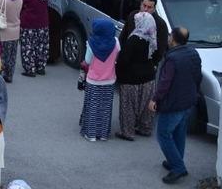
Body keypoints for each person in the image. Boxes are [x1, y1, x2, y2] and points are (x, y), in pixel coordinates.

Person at [150, 27, 202, 185]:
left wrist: (155, 99)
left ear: (173, 39)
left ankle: (178, 167)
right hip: (188, 102)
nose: (168, 37)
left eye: (170, 35)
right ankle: (176, 161)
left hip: (173, 104)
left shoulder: (172, 58)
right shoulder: (193, 52)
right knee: (179, 133)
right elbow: (197, 76)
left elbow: (165, 83)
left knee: (163, 134)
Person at [115, 12, 157, 141]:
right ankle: (145, 128)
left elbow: (124, 59)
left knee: (128, 106)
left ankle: (128, 132)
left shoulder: (133, 39)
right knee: (145, 106)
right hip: (148, 78)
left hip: (131, 78)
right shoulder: (152, 38)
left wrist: (117, 72)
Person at [80, 18, 120, 142]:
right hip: (109, 80)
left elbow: (87, 61)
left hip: (94, 81)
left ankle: (91, 134)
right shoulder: (116, 43)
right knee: (105, 108)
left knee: (93, 107)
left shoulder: (91, 44)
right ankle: (103, 134)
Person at [19, 0, 49, 78]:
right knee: (41, 45)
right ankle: (40, 67)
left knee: (28, 46)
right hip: (43, 23)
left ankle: (30, 69)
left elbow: (21, 5)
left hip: (28, 24)